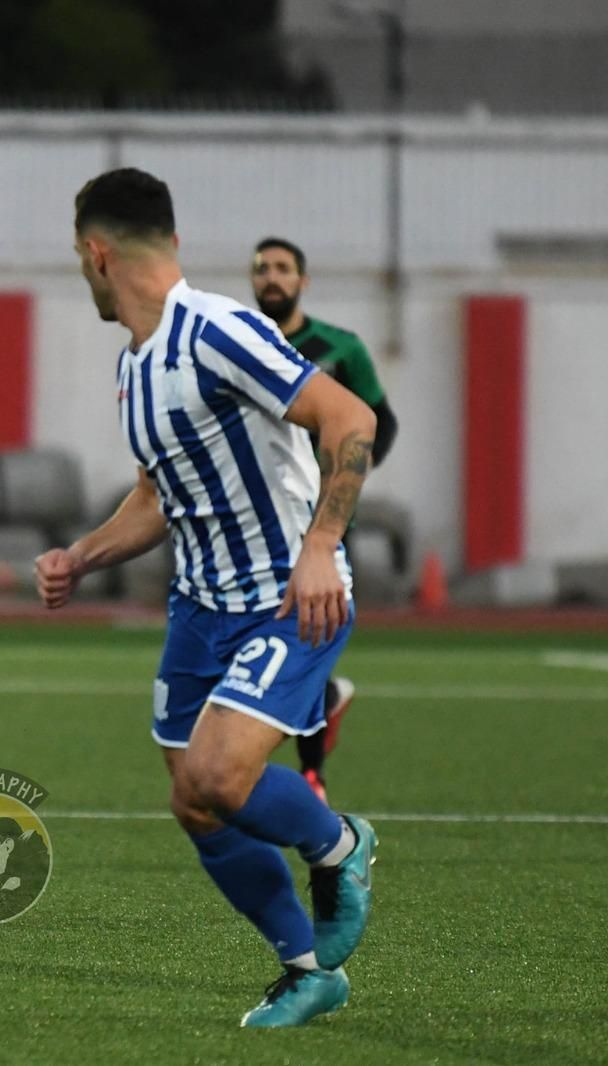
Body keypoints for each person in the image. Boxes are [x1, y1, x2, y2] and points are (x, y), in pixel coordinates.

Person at [35, 168, 378, 1027]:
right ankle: (308, 971)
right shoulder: (134, 369)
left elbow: (350, 419)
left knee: (220, 777)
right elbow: (157, 496)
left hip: (289, 599)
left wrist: (320, 549)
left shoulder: (220, 330)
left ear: (95, 253)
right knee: (193, 801)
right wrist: (83, 556)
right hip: (199, 610)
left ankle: (341, 844)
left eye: (80, 261)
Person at [251, 236, 400, 803]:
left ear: (303, 281)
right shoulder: (243, 343)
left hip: (319, 525)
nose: (271, 277)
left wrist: (344, 483)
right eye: (261, 268)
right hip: (256, 520)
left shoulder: (339, 348)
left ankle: (312, 776)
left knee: (305, 637)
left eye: (283, 268)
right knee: (260, 647)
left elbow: (378, 423)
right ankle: (325, 702)